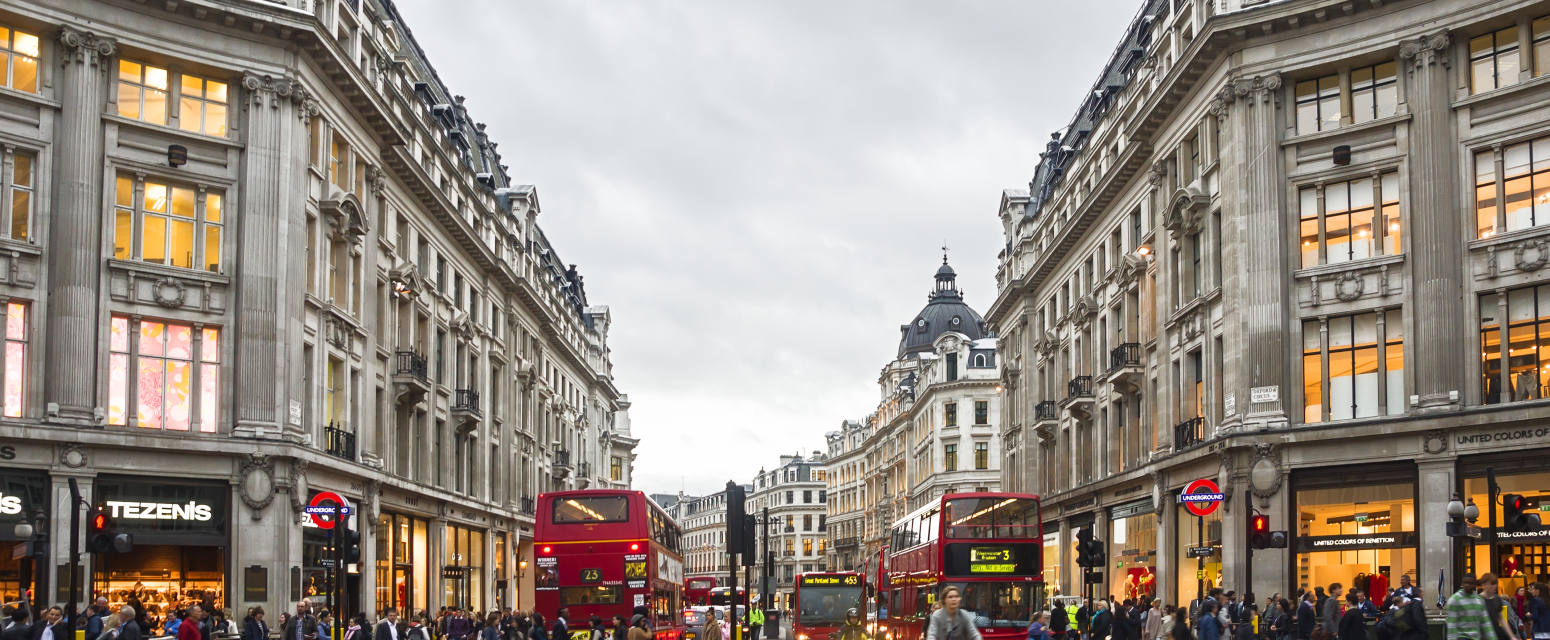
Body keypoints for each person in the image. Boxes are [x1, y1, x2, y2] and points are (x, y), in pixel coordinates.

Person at [1448, 575, 1494, 640]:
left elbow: (1486, 622)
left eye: (1470, 583)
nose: (1467, 585)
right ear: (1461, 584)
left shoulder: (1479, 600)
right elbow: (1452, 625)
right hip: (1462, 637)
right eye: (1464, 582)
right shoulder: (1455, 600)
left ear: (1475, 585)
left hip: (1476, 637)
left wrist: (1492, 638)